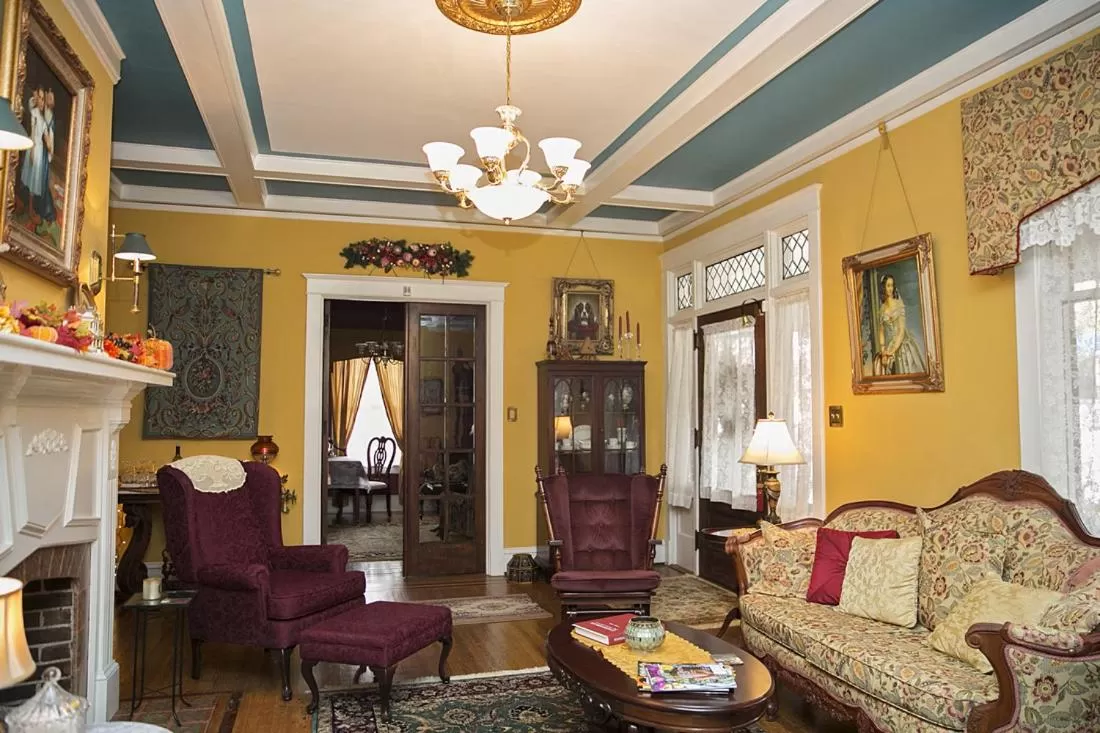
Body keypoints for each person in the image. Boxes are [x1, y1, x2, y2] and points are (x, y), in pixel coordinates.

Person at [874, 273, 926, 375]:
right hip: (889, 346)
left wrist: (892, 351)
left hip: (902, 345)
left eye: (892, 285)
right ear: (883, 287)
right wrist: (884, 350)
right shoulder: (882, 309)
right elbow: (881, 331)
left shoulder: (899, 305)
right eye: (888, 285)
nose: (890, 289)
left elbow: (901, 331)